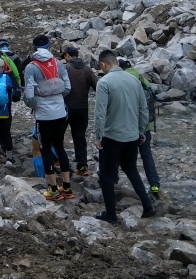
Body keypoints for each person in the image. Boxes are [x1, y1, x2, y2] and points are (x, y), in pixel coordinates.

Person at [94, 49, 155, 223]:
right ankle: (148, 205)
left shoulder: (104, 82)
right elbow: (144, 108)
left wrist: (98, 136)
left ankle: (111, 215)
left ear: (103, 64)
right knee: (131, 169)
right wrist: (141, 131)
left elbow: (100, 113)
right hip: (132, 136)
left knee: (106, 175)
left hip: (112, 137)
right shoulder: (134, 80)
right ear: (118, 63)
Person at [24, 35, 73, 201]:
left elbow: (29, 94)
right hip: (60, 112)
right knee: (59, 147)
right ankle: (66, 187)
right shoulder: (58, 64)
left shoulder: (31, 67)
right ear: (49, 46)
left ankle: (53, 189)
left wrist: (35, 105)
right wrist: (57, 98)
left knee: (45, 149)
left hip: (43, 115)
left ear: (34, 48)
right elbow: (67, 87)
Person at [118, 58, 161, 200]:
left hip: (129, 126)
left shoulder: (124, 80)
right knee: (146, 154)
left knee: (120, 153)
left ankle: (112, 180)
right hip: (146, 125)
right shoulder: (141, 77)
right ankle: (154, 184)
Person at [63, 45, 98, 176]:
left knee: (58, 136)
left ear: (67, 55)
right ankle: (82, 166)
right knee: (79, 137)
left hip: (66, 108)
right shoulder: (87, 70)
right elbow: (98, 88)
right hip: (82, 108)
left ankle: (60, 163)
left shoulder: (66, 69)